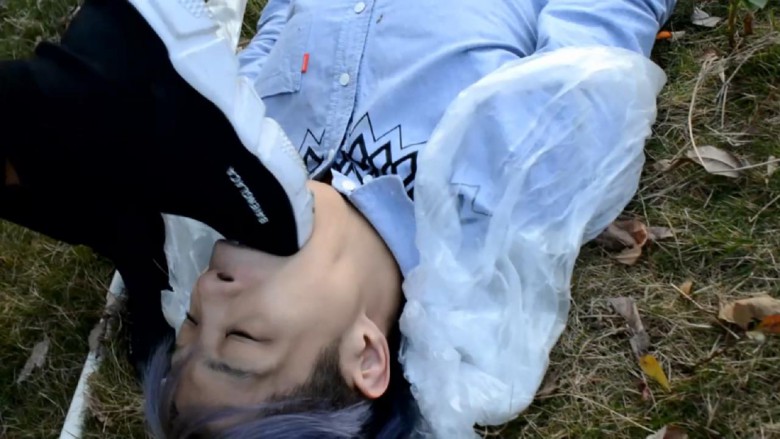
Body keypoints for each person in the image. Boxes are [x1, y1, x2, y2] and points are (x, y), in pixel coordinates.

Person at [0, 0, 675, 437]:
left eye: (193, 324)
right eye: (244, 337)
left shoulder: (240, 168)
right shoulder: (496, 194)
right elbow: (605, 28)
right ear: (366, 355)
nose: (208, 291)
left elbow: (274, 36)